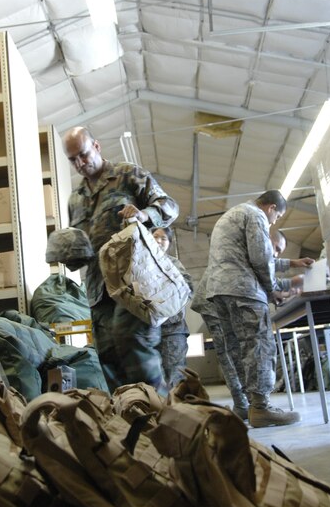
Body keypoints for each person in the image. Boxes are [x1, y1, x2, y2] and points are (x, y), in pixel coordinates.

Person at [62, 126, 179, 394]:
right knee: (108, 359)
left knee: (133, 345)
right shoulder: (75, 200)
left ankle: (163, 416)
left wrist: (144, 214)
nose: (80, 163)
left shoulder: (127, 175)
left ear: (97, 146)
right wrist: (68, 255)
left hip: (133, 283)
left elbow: (170, 206)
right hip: (98, 292)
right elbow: (80, 251)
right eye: (72, 159)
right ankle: (133, 421)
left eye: (83, 154)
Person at [192, 190, 314, 428]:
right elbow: (260, 258)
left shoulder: (232, 215)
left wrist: (292, 263)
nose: (274, 221)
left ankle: (249, 405)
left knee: (237, 349)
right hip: (244, 291)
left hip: (221, 292)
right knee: (258, 346)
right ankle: (261, 408)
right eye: (276, 216)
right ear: (270, 208)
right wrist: (274, 289)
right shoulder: (256, 215)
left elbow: (250, 256)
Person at [152, 226, 194, 388]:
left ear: (169, 243)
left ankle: (178, 408)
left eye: (164, 239)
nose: (159, 241)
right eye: (155, 237)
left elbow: (188, 288)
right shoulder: (140, 262)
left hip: (173, 328)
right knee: (153, 373)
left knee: (175, 372)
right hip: (149, 328)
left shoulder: (174, 264)